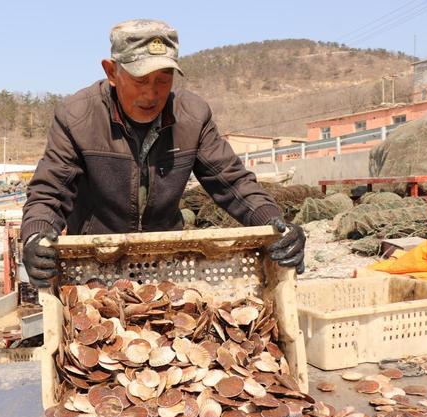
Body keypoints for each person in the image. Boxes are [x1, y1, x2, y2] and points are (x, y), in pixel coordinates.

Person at [21, 19, 306, 288]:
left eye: (163, 79)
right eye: (140, 80)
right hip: (95, 260)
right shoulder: (77, 116)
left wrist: (273, 222)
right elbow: (50, 191)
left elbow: (233, 182)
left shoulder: (192, 117)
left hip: (165, 259)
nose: (152, 94)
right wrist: (35, 235)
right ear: (111, 72)